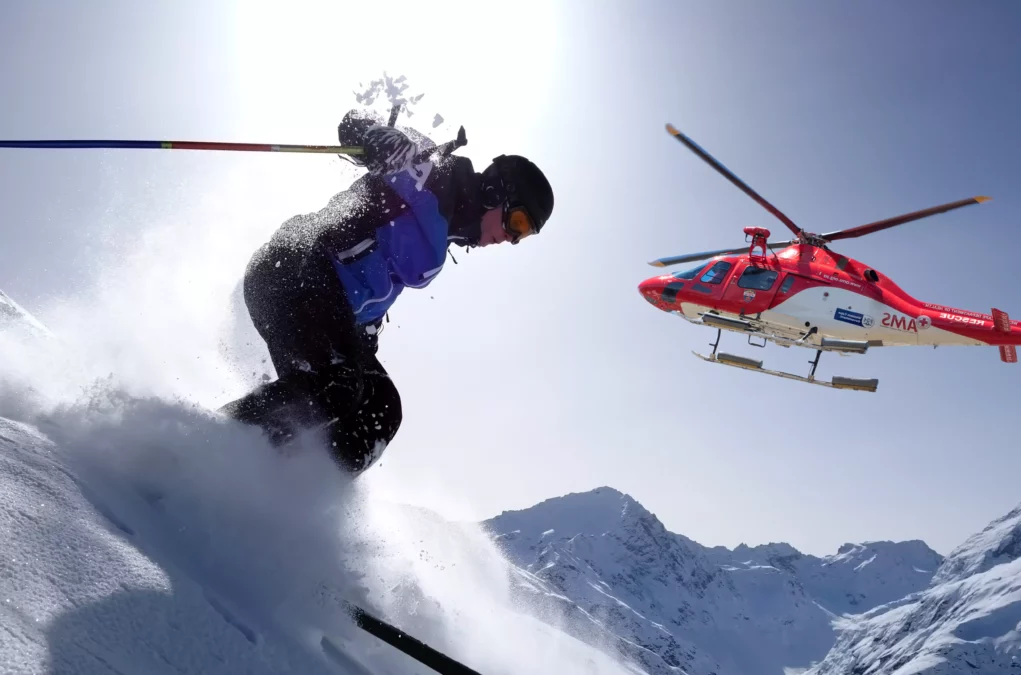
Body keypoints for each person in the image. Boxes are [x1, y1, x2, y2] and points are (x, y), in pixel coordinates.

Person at [219, 109, 555, 477]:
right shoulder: (433, 174)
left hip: (325, 302)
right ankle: (212, 445)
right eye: (517, 221)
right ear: (496, 192)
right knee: (338, 385)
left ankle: (290, 485)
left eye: (524, 235)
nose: (511, 238)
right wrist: (378, 138)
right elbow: (355, 124)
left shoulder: (443, 234)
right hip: (293, 267)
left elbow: (371, 282)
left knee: (381, 407)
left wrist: (364, 335)